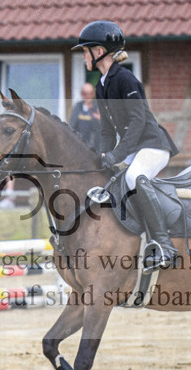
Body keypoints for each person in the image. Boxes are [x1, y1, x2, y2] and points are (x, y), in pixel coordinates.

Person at [72, 20, 180, 269]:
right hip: (134, 149)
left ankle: (165, 246)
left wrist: (117, 154)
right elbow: (107, 130)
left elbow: (138, 122)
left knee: (133, 179)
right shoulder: (101, 85)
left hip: (153, 145)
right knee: (109, 183)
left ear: (99, 52)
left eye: (85, 51)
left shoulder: (126, 79)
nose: (83, 56)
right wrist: (103, 155)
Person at [69, 82, 102, 150]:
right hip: (79, 147)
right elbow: (71, 126)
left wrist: (100, 120)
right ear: (82, 94)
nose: (88, 96)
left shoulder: (98, 108)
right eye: (85, 93)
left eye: (90, 93)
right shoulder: (78, 106)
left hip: (95, 148)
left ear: (93, 94)